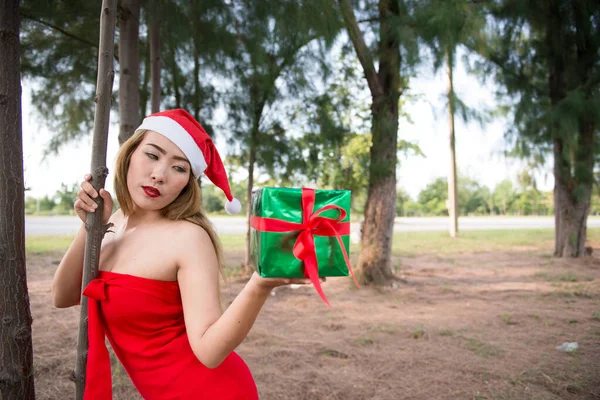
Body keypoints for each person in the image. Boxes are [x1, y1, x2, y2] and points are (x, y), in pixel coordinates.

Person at [52, 109, 319, 400]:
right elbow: (62, 295)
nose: (159, 175)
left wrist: (259, 285)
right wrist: (90, 227)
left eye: (179, 168)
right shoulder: (113, 221)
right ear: (129, 154)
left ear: (187, 183)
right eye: (152, 155)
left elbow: (209, 352)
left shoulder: (188, 237)